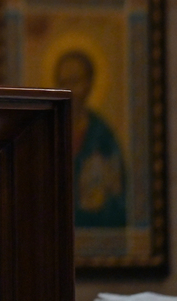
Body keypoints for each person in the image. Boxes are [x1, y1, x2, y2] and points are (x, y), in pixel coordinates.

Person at [54, 49, 127, 227]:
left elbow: (120, 194)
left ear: (89, 84)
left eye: (75, 81)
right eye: (63, 82)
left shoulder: (102, 134)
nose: (69, 89)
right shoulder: (48, 131)